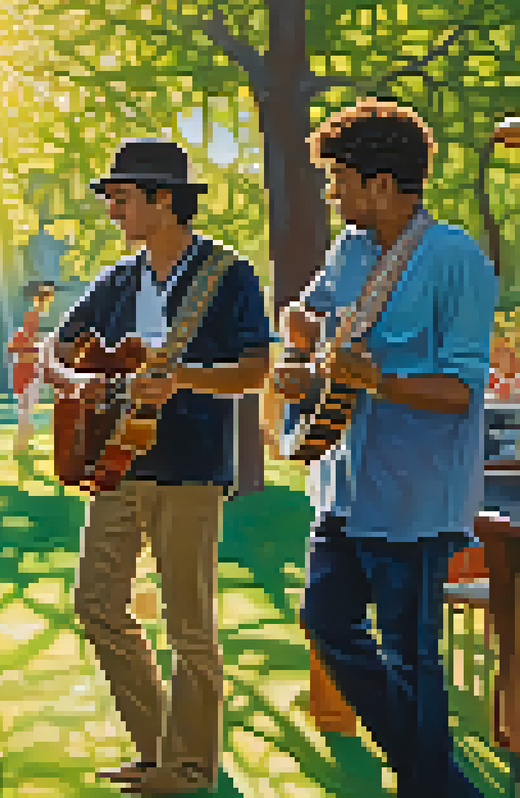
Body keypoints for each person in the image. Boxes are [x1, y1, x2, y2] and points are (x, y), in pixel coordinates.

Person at [277, 98, 492, 797]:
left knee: (410, 656)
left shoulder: (456, 259)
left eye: (339, 179)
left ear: (381, 183)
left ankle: (427, 786)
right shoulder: (350, 248)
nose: (332, 193)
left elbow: (460, 390)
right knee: (325, 620)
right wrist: (300, 352)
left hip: (413, 496)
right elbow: (306, 313)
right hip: (342, 484)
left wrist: (381, 381)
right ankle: (440, 783)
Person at [49, 140, 271, 793]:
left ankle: (191, 768)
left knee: (188, 625)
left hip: (192, 469)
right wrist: (79, 383)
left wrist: (185, 381)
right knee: (96, 602)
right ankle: (160, 753)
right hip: (117, 464)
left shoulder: (227, 276)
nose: (113, 211)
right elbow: (55, 352)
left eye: (122, 198)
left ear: (163, 199)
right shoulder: (116, 281)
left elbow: (255, 369)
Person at [6, 280, 57, 450]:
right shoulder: (30, 323)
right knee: (25, 410)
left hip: (31, 372)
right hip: (26, 373)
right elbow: (20, 346)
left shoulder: (33, 324)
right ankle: (22, 444)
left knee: (27, 409)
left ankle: (23, 443)